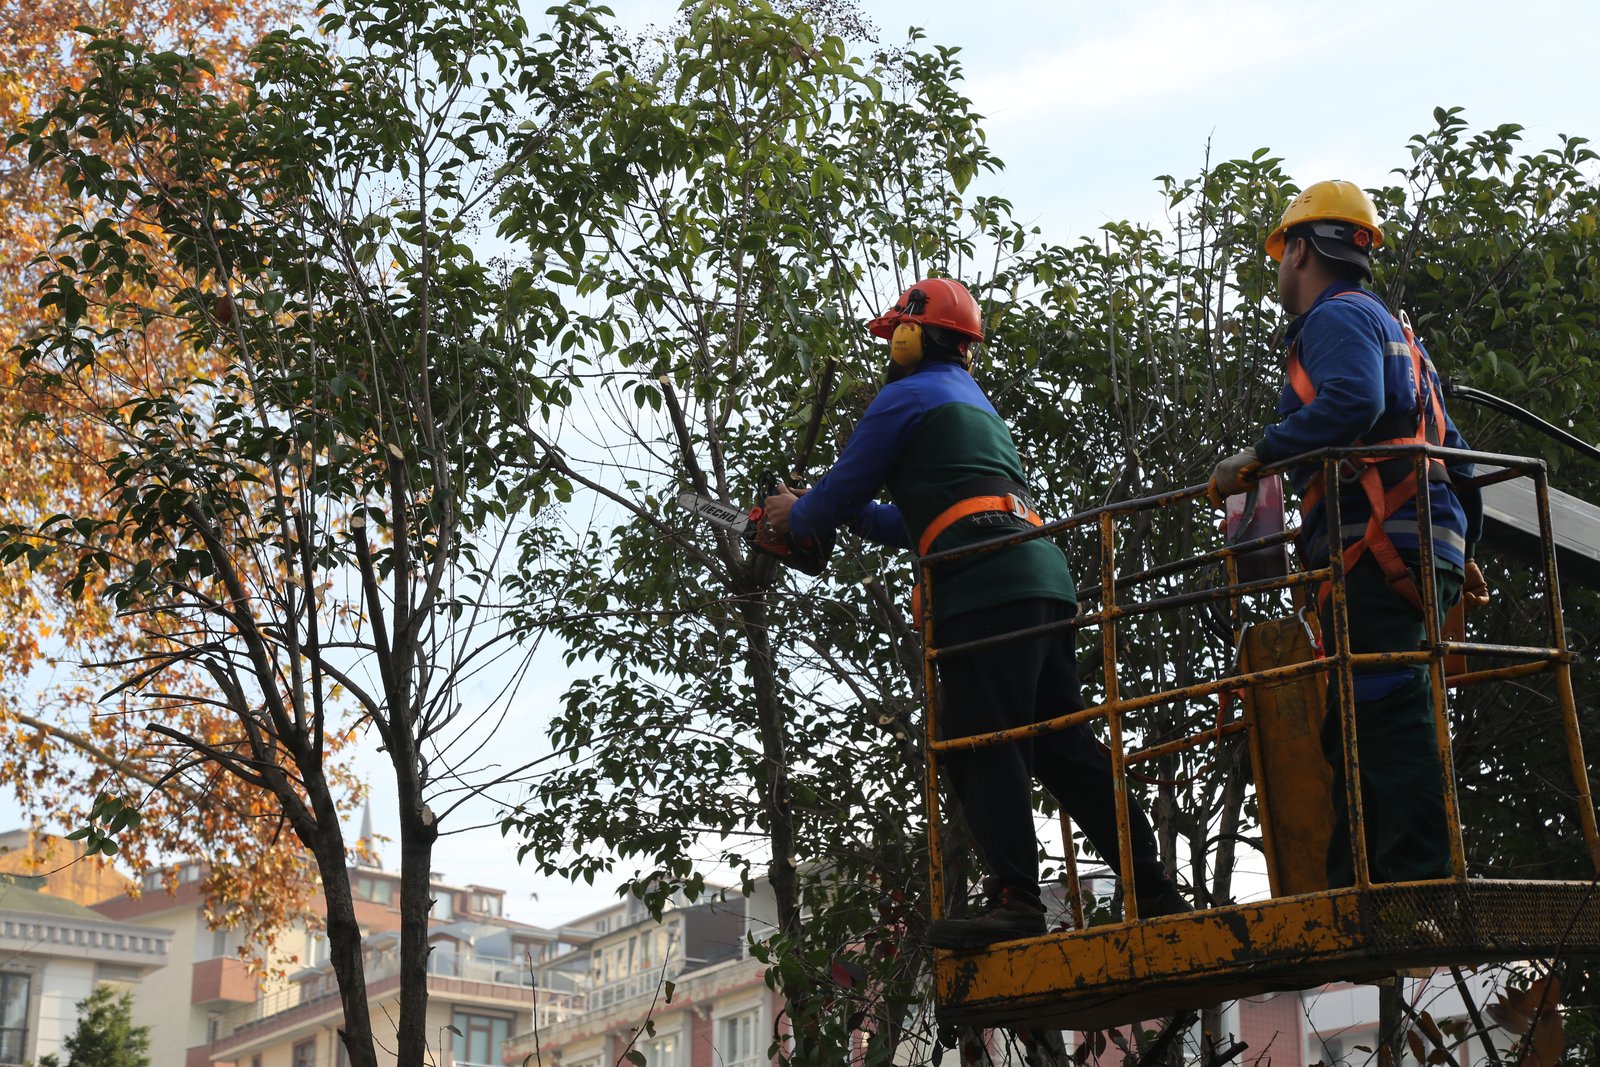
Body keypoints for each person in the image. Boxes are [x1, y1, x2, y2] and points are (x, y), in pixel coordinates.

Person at [762, 277, 1189, 948]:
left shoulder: (899, 397)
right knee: (1064, 746)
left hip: (983, 585)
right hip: (1041, 575)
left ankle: (1018, 899)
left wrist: (798, 511)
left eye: (894, 335)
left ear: (912, 336)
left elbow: (834, 495)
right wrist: (841, 511)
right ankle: (1158, 891)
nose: (889, 348)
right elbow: (917, 518)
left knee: (980, 741)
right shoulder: (973, 404)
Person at [1210, 180, 1490, 887]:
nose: (1279, 268)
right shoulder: (1400, 336)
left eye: (1281, 253)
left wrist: (1261, 454)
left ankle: (1412, 876)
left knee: (1384, 708)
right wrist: (1462, 551)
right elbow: (1455, 457)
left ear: (1300, 248)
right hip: (1420, 544)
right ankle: (1354, 876)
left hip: (1379, 549)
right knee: (1364, 713)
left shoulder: (1333, 321)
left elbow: (1355, 399)